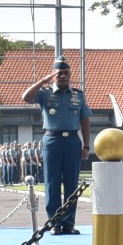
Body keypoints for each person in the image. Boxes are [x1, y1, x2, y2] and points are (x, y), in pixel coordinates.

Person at [24, 56, 92, 235]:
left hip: (72, 141)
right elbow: (26, 97)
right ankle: (55, 223)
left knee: (71, 183)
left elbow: (85, 121)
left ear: (70, 75)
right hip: (52, 140)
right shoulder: (45, 93)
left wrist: (86, 146)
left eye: (65, 73)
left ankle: (69, 223)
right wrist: (42, 81)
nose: (62, 76)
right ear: (54, 76)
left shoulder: (78, 95)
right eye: (59, 73)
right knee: (52, 182)